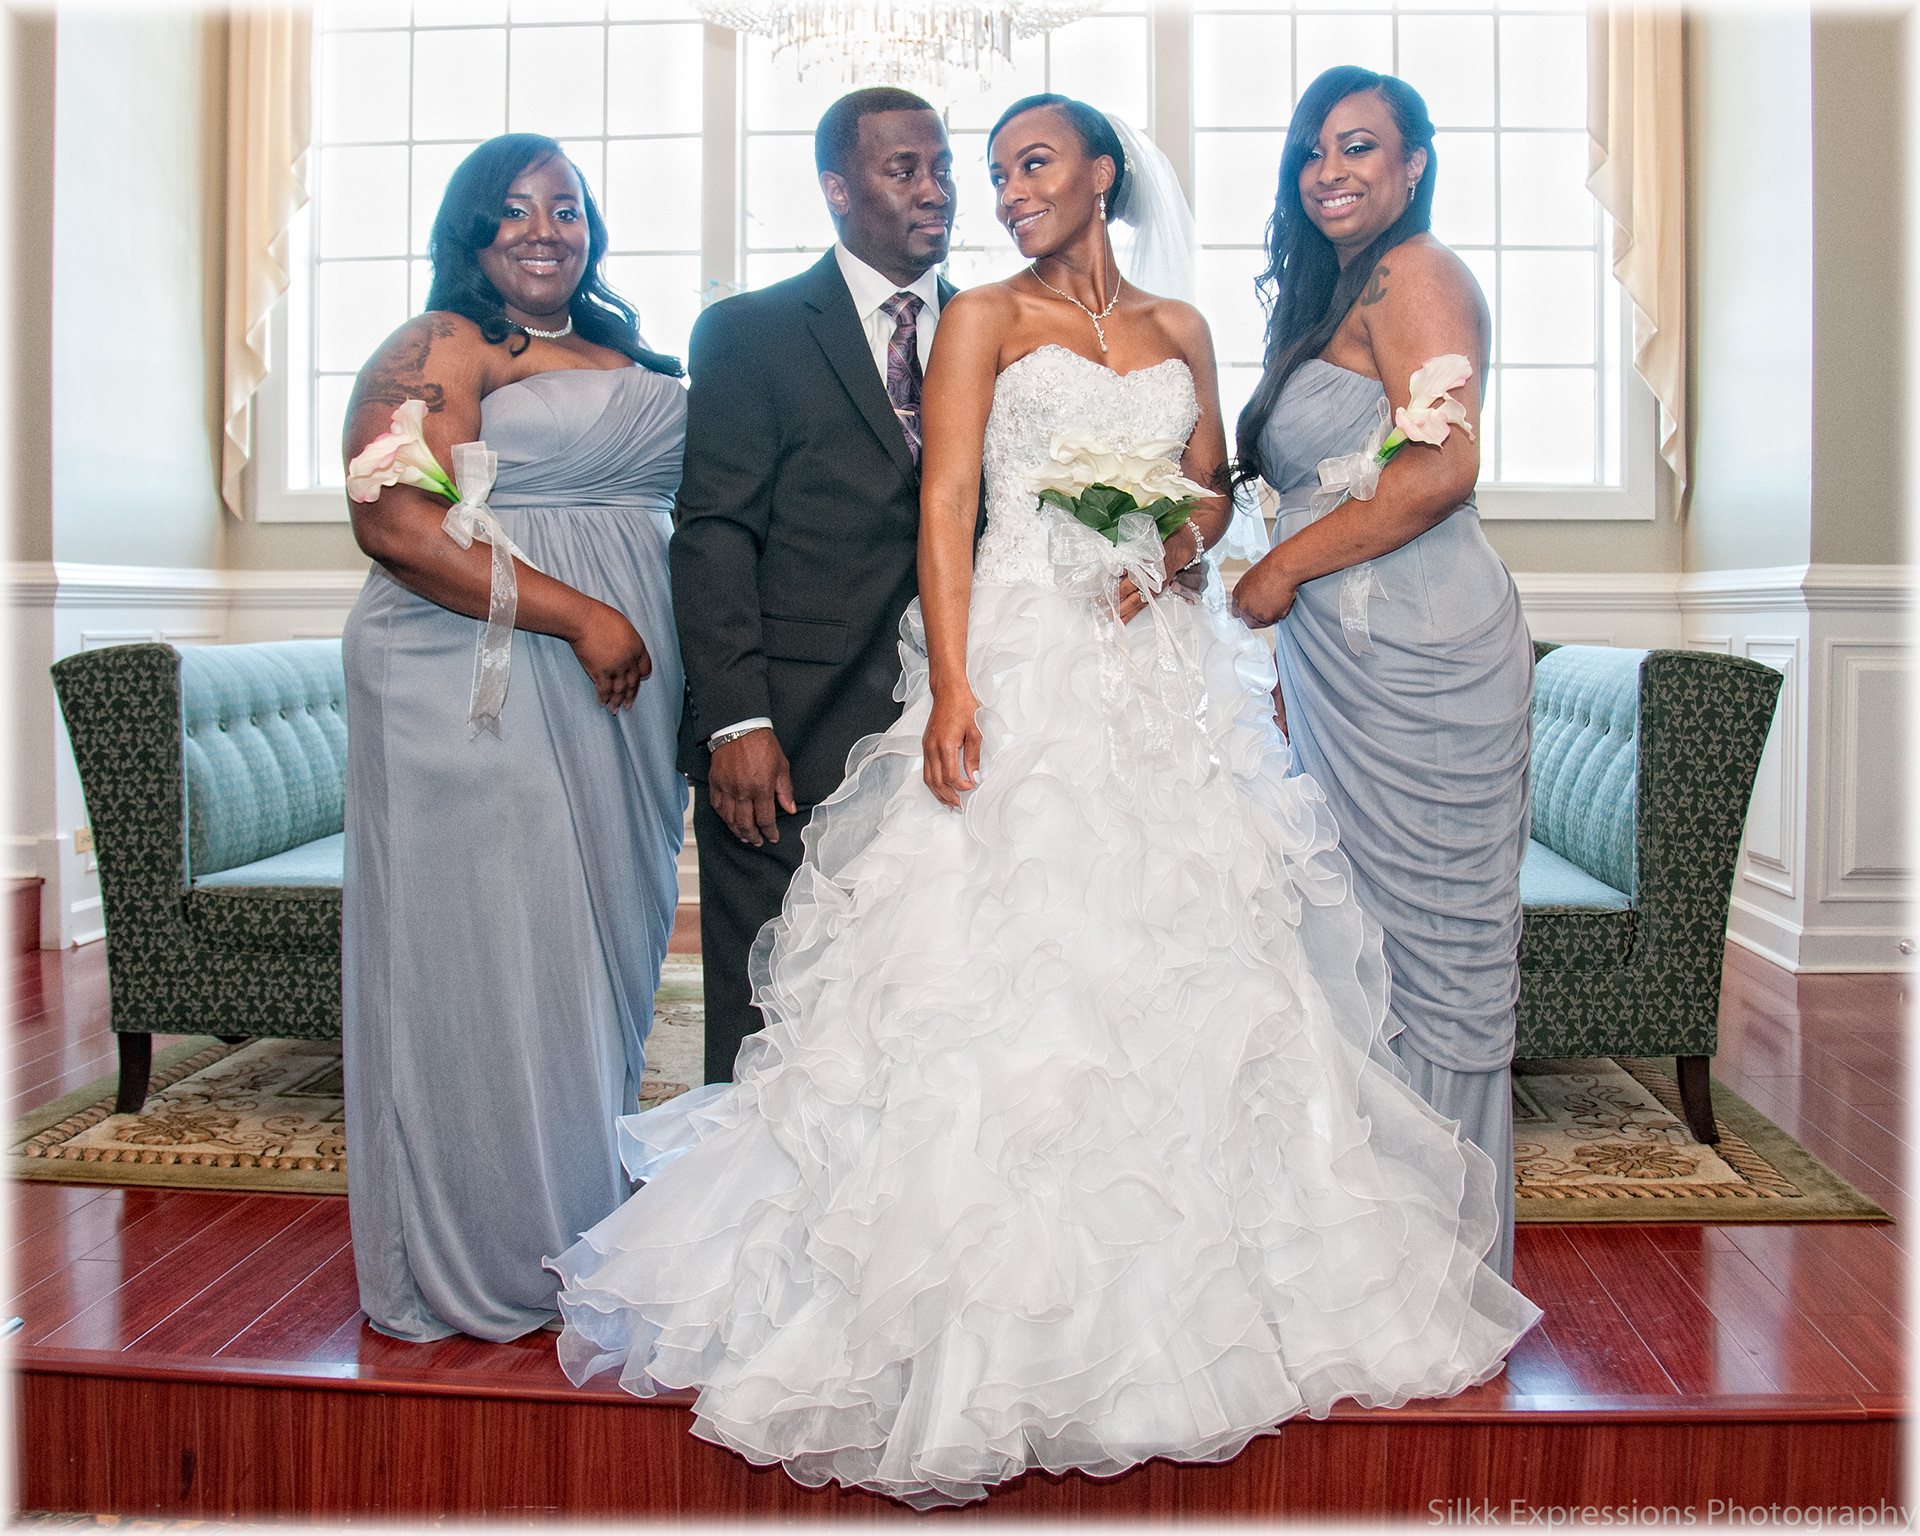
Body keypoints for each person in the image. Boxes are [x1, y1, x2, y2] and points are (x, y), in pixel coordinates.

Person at [547, 95, 1539, 1507]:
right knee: (996, 965)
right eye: (995, 171)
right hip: (1021, 660)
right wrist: (955, 686)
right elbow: (948, 502)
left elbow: (1209, 494)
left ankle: (1197, 1295)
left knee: (1189, 956)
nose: (1005, 192)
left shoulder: (1184, 328)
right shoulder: (982, 320)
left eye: (1032, 165)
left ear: (1102, 175)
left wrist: (1169, 542)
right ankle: (966, 1308)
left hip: (1155, 673)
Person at [340, 134, 688, 1342]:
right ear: (471, 228)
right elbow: (396, 523)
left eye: (567, 208)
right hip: (475, 673)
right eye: (515, 209)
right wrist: (582, 613)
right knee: (499, 945)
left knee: (599, 950)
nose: (545, 229)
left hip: (622, 693)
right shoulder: (439, 343)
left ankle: (576, 1209)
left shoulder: (621, 346)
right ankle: (489, 1243)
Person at [1229, 68, 1534, 1282]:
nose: (1329, 170)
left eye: (1360, 146)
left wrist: (1280, 570)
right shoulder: (1338, 295)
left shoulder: (1419, 273)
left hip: (1426, 652)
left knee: (1432, 954)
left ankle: (1445, 1259)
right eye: (1313, 150)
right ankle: (1370, 1254)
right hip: (1344, 665)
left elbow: (1440, 470)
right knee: (1351, 946)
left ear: (1414, 165)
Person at [669, 88, 959, 1085]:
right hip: (790, 734)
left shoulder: (991, 331)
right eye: (904, 169)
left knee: (925, 1012)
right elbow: (714, 534)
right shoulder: (748, 332)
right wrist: (735, 723)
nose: (936, 190)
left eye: (943, 167)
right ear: (837, 189)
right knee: (771, 1022)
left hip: (950, 733)